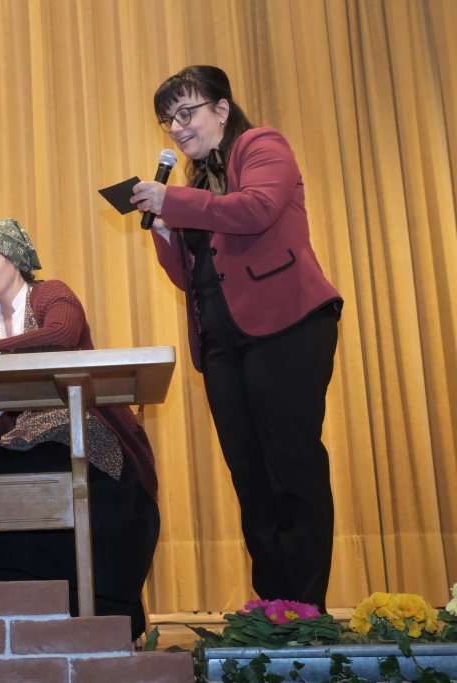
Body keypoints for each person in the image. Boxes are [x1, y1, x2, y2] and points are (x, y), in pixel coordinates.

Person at [130, 65, 342, 610]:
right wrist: (164, 232)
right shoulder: (197, 188)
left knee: (291, 463)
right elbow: (190, 277)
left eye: (186, 112)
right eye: (168, 120)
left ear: (222, 109)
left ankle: (306, 604)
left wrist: (172, 201)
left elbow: (258, 209)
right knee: (248, 473)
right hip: (222, 343)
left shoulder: (261, 146)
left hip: (287, 326)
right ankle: (273, 602)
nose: (177, 128)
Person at [0, 218, 160, 641]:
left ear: (15, 258)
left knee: (49, 463)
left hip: (85, 425)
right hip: (24, 435)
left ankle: (84, 606)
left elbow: (62, 335)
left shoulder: (51, 294)